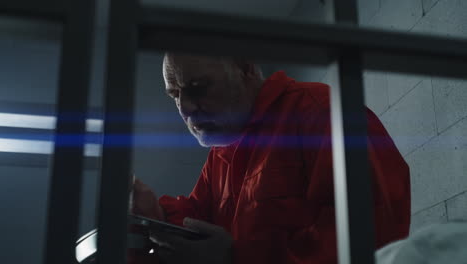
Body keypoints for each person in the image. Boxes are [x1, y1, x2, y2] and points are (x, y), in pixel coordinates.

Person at [131, 53, 411, 264]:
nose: (186, 108)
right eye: (175, 94)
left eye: (198, 87)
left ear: (246, 69)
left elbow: (370, 238)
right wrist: (156, 215)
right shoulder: (222, 151)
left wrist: (236, 258)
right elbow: (198, 220)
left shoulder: (323, 114)